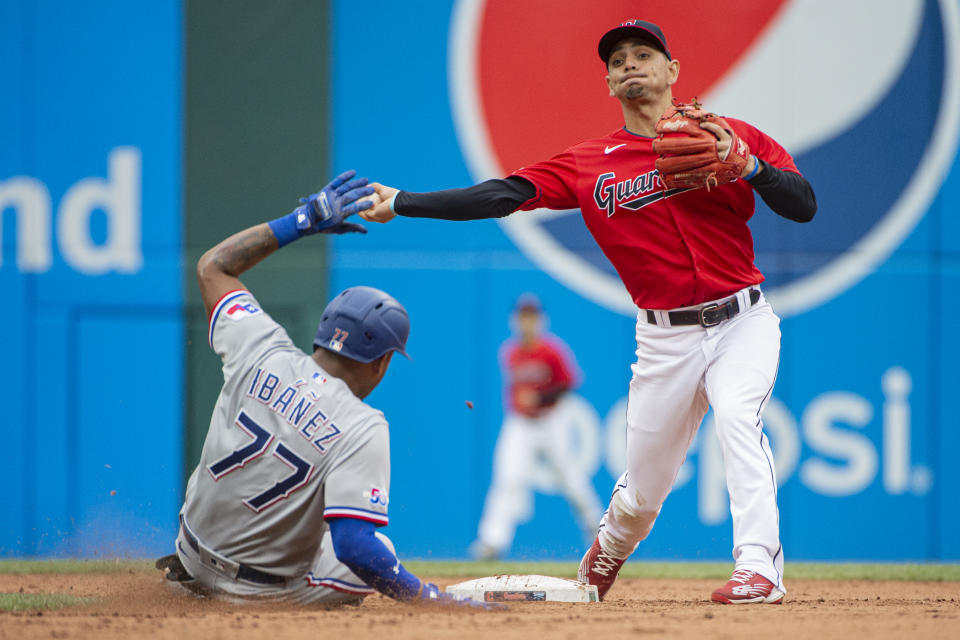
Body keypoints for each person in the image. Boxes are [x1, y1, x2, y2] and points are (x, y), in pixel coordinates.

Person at [361, 20, 817, 604]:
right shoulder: (590, 163)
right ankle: (608, 547)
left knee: (737, 417)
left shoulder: (729, 137)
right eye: (618, 59)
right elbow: (502, 194)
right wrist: (403, 202)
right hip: (664, 339)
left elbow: (803, 204)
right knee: (642, 495)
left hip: (741, 321)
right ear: (607, 82)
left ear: (673, 70)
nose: (630, 64)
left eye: (644, 54)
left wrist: (749, 164)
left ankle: (759, 570)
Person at [155, 171, 496, 609]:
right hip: (255, 595)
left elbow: (213, 267)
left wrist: (302, 220)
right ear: (382, 362)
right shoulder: (364, 426)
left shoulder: (260, 345)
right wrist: (428, 598)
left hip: (188, 560)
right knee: (376, 554)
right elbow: (355, 546)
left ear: (322, 334)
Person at [472, 293, 602, 560]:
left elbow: (569, 383)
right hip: (520, 423)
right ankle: (492, 542)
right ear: (516, 320)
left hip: (551, 421)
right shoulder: (510, 352)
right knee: (507, 479)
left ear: (541, 319)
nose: (527, 321)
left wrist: (541, 397)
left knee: (573, 481)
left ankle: (601, 536)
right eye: (523, 316)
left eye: (532, 316)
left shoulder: (552, 350)